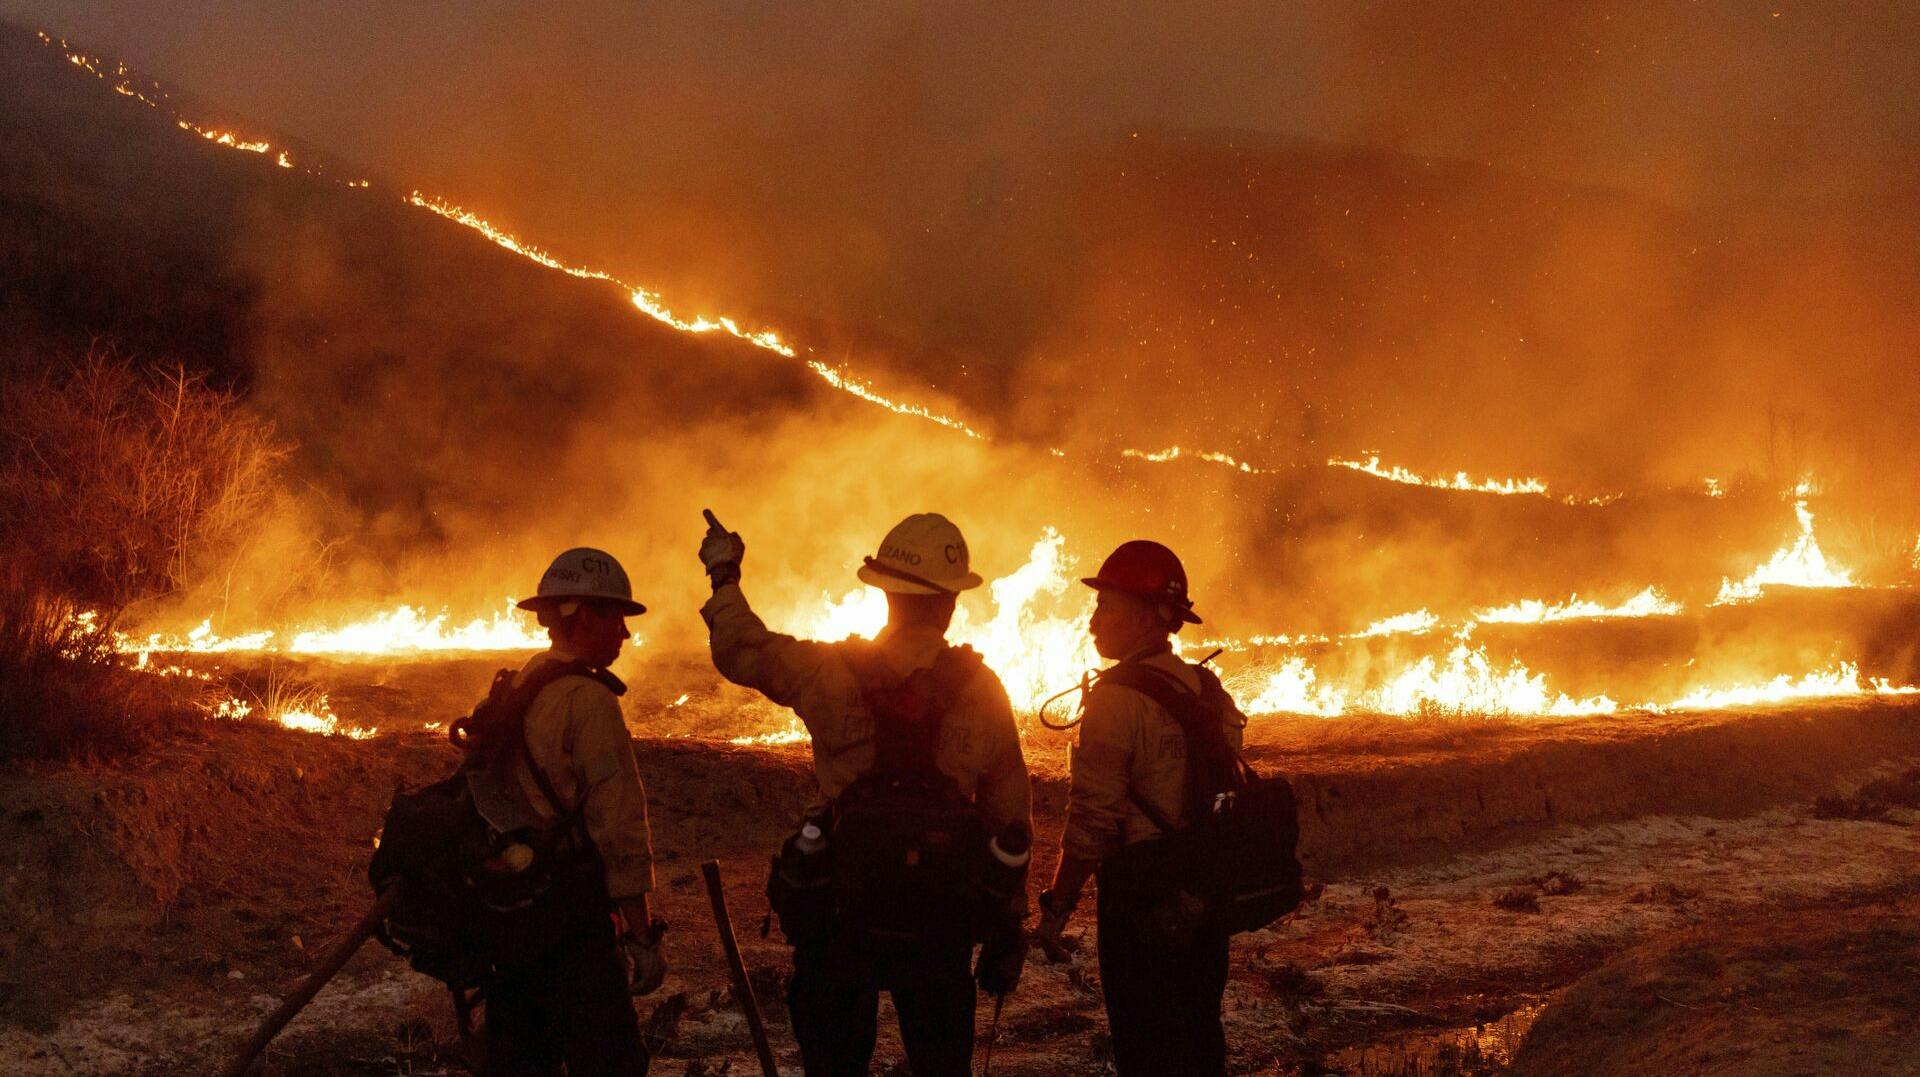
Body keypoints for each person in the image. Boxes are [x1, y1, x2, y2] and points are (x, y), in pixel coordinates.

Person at [698, 510, 1032, 1077]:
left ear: (885, 592)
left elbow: (740, 648)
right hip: (940, 925)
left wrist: (724, 574)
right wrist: (1008, 927)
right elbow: (1011, 822)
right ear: (952, 601)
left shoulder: (826, 670)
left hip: (841, 915)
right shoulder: (985, 690)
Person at [1035, 540, 1247, 1077]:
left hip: (1141, 898)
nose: (1093, 621)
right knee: (1199, 1041)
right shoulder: (1206, 689)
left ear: (1147, 615)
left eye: (1106, 606)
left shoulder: (1115, 699)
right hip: (1202, 896)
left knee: (1145, 1049)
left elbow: (1092, 824)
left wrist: (1057, 909)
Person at [466, 547, 664, 1076]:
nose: (625, 633)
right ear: (583, 616)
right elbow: (617, 825)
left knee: (523, 1062)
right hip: (571, 922)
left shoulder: (525, 682)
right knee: (612, 1064)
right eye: (615, 617)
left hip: (514, 914)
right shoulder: (590, 701)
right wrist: (641, 935)